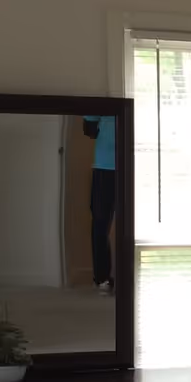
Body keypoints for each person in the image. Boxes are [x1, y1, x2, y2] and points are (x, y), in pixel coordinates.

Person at [81, 115, 117, 294]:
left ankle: (109, 277)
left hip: (128, 163)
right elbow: (89, 130)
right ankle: (102, 277)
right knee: (100, 224)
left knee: (129, 223)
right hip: (105, 167)